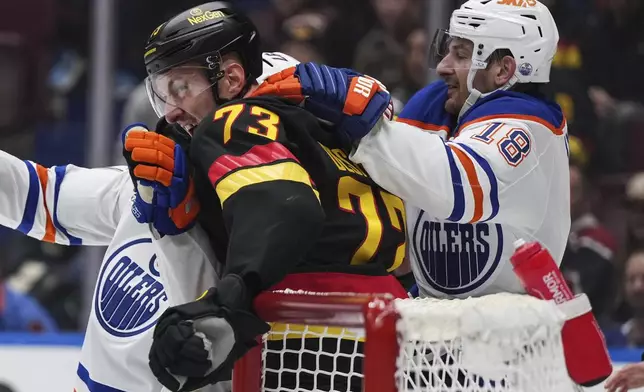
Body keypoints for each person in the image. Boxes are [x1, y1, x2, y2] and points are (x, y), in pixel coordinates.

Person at [123, 2, 406, 391]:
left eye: (181, 88)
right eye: (162, 95)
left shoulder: (231, 122)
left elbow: (286, 209)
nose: (170, 113)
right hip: (395, 326)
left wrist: (228, 299)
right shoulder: (329, 135)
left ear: (231, 78)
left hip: (310, 329)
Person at [0, 45, 300, 392]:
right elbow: (40, 197)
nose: (177, 114)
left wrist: (177, 231)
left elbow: (212, 359)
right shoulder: (146, 187)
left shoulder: (277, 242)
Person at [259, 0, 568, 299]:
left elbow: (457, 184)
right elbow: (386, 169)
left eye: (461, 55)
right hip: (439, 323)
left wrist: (360, 118)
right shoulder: (438, 105)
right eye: (448, 50)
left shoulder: (531, 125)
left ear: (503, 70)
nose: (444, 67)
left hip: (517, 333)